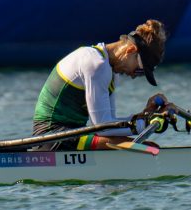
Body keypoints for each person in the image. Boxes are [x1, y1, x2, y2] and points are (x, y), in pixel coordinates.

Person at [31, 19, 168, 151]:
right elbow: (103, 128)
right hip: (51, 137)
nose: (134, 76)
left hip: (70, 134)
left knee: (140, 145)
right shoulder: (96, 64)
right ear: (130, 50)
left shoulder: (110, 71)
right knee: (147, 147)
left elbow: (109, 124)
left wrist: (144, 116)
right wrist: (145, 123)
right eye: (139, 70)